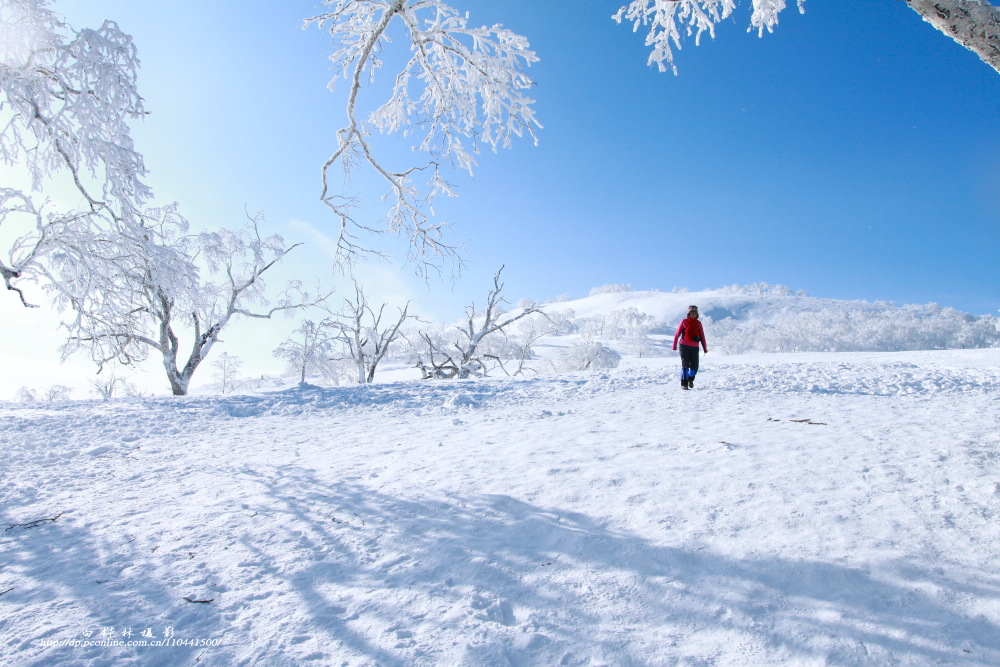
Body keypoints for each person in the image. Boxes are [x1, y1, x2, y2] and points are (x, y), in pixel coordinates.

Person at [672, 305, 708, 390]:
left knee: (694, 367)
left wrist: (705, 348)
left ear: (697, 314)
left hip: (695, 347)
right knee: (685, 365)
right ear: (689, 314)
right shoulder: (684, 322)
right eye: (692, 313)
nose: (693, 315)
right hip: (684, 346)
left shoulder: (698, 323)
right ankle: (684, 383)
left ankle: (690, 379)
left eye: (695, 313)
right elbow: (677, 334)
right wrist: (674, 346)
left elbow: (702, 336)